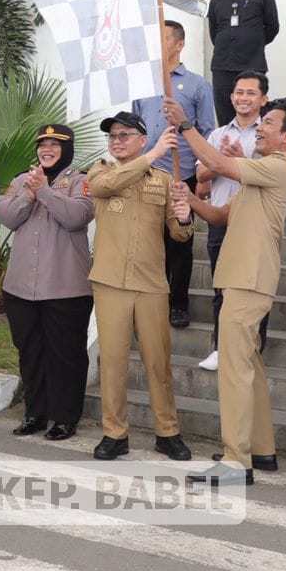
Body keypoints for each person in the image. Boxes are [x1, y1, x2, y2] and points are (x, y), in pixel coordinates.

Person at [176, 100, 286, 485]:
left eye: (268, 122)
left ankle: (236, 462)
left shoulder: (279, 168)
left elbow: (218, 165)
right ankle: (261, 450)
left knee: (233, 370)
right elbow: (220, 216)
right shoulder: (259, 174)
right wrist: (190, 200)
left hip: (250, 279)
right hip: (241, 277)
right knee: (251, 367)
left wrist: (185, 125)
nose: (259, 128)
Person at [85, 116, 194, 461]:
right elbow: (103, 189)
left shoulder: (162, 181)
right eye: (112, 136)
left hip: (150, 284)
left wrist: (185, 215)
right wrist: (154, 154)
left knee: (157, 362)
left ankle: (167, 432)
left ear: (142, 139)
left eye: (124, 135)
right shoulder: (100, 171)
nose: (116, 141)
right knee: (113, 362)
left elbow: (179, 234)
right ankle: (114, 433)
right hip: (111, 282)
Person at [0, 124, 94, 442]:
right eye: (42, 144)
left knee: (66, 355)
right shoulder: (21, 181)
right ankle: (35, 413)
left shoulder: (82, 181)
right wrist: (28, 193)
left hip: (66, 288)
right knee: (30, 353)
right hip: (21, 288)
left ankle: (65, 418)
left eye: (55, 144)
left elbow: (77, 216)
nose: (47, 149)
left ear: (67, 149)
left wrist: (45, 192)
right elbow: (6, 215)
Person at [133, 21, 215, 329]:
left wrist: (202, 174)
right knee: (147, 242)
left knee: (179, 242)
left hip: (180, 175)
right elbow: (136, 127)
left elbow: (207, 131)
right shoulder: (144, 83)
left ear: (179, 44)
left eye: (164, 38)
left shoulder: (196, 85)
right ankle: (150, 302)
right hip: (146, 173)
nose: (158, 44)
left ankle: (178, 303)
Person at [193, 70, 270, 372]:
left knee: (255, 290)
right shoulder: (217, 134)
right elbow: (200, 175)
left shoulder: (269, 135)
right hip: (221, 219)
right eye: (239, 92)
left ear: (263, 99)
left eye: (251, 93)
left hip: (256, 222)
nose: (243, 98)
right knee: (220, 287)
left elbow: (271, 177)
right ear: (231, 97)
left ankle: (254, 349)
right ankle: (220, 347)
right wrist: (222, 161)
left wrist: (236, 162)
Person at [206, 0, 279, 126]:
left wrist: (252, 43)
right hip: (222, 67)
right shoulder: (216, 0)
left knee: (254, 115)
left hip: (252, 65)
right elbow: (214, 34)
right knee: (225, 115)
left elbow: (272, 29)